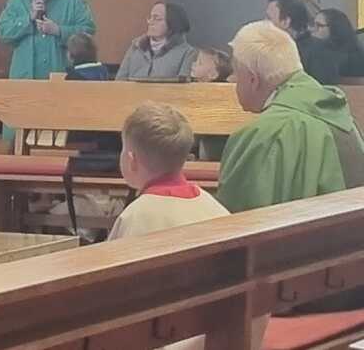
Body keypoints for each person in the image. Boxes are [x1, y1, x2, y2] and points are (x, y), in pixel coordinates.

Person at [220, 20, 364, 311]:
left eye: (235, 73)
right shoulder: (338, 113)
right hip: (352, 280)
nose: (232, 81)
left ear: (252, 79)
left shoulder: (265, 134)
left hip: (302, 293)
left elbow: (234, 227)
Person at [110, 102, 266, 350]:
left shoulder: (136, 217)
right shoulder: (214, 207)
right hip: (218, 336)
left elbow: (111, 296)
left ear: (131, 160)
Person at [0, 0, 96, 143]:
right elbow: (3, 31)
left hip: (59, 75)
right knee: (18, 137)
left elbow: (88, 31)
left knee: (55, 135)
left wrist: (58, 30)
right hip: (25, 78)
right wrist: (29, 18)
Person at [115, 2, 197, 80]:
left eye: (157, 19)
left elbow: (184, 87)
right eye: (150, 18)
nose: (150, 22)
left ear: (173, 23)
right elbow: (119, 81)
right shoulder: (136, 46)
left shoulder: (188, 53)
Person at [265, 0, 333, 84]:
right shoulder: (269, 50)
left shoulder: (318, 52)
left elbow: (321, 89)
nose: (264, 24)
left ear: (286, 22)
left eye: (269, 19)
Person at [190, 47, 232, 161]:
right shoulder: (193, 90)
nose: (193, 64)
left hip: (215, 149)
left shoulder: (219, 95)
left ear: (213, 74)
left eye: (200, 63)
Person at [310, 8, 364, 78]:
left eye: (319, 25)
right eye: (312, 24)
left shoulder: (352, 57)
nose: (312, 29)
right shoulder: (313, 50)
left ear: (335, 28)